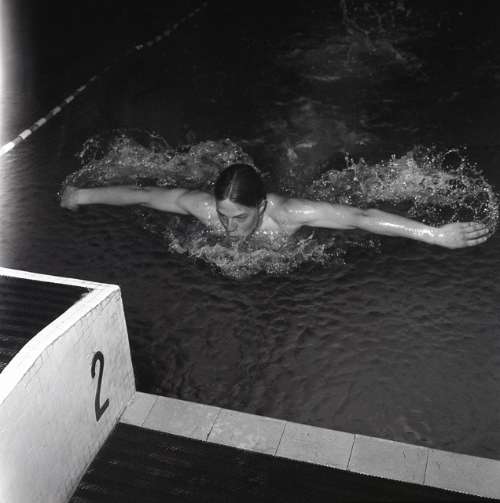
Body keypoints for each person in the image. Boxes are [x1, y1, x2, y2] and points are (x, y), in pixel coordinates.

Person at [60, 162, 492, 249]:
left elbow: (363, 218)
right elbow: (143, 194)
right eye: (223, 216)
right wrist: (81, 195)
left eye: (240, 218)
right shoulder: (203, 207)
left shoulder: (289, 215)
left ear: (262, 207)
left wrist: (434, 234)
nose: (228, 228)